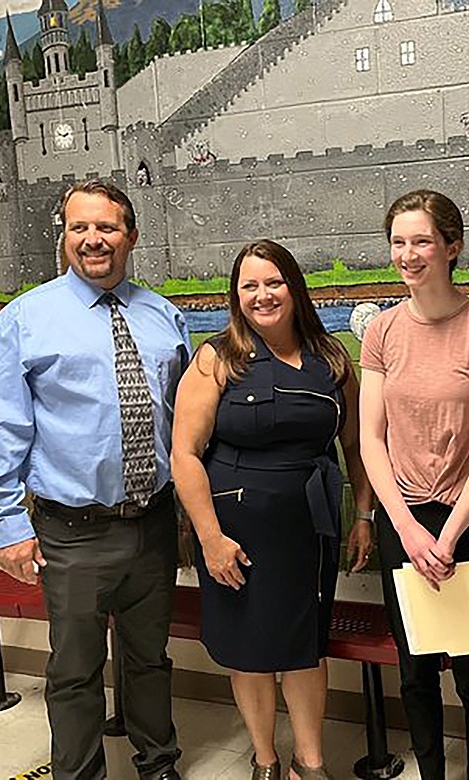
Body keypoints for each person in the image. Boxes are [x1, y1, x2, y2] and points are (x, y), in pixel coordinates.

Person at [0, 179, 190, 780]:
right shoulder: (26, 320)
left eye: (107, 227)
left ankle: (158, 761)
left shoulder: (164, 317)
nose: (93, 240)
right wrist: (8, 524)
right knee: (75, 668)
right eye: (79, 228)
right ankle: (79, 773)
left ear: (131, 236)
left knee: (149, 659)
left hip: (153, 522)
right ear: (63, 237)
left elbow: (185, 426)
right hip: (72, 533)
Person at [170, 239, 374, 780]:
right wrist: (210, 539)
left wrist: (362, 514)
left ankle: (310, 764)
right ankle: (264, 759)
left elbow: (356, 447)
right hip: (234, 533)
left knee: (305, 645)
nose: (263, 295)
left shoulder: (331, 359)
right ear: (236, 297)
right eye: (250, 285)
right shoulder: (218, 358)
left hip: (310, 529)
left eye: (274, 282)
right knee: (250, 646)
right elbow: (185, 456)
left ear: (294, 287)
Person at [359, 190, 469, 780]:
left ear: (452, 247)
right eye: (398, 242)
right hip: (404, 522)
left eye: (421, 241)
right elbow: (372, 439)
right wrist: (405, 530)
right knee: (415, 670)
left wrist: (446, 538)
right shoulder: (382, 331)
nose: (408, 254)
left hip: (467, 523)